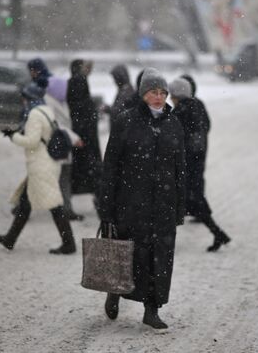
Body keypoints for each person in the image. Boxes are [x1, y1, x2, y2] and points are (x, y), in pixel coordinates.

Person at [99, 68, 185, 330]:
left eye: (162, 92)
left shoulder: (173, 123)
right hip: (131, 204)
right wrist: (107, 209)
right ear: (143, 94)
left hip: (163, 205)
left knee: (159, 257)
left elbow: (180, 168)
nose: (158, 97)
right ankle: (114, 292)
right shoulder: (126, 121)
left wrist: (179, 206)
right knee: (129, 255)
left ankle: (152, 309)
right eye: (152, 92)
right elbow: (110, 166)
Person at [0, 82, 76, 254]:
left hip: (41, 165)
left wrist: (12, 136)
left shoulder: (34, 115)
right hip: (49, 163)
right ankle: (10, 238)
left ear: (29, 98)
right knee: (25, 203)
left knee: (54, 205)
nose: (23, 101)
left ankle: (69, 243)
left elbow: (32, 142)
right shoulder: (46, 110)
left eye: (24, 98)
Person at [170, 77, 231, 252]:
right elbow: (205, 129)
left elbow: (176, 140)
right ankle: (218, 233)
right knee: (192, 202)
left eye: (172, 95)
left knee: (178, 203)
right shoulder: (197, 107)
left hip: (186, 167)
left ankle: (164, 240)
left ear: (178, 95)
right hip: (195, 164)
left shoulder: (181, 112)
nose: (170, 99)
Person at [27, 58, 84, 220]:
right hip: (55, 144)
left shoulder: (59, 100)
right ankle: (23, 207)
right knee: (45, 177)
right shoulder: (50, 103)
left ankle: (66, 209)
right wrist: (75, 138)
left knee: (58, 177)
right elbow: (56, 124)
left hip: (60, 145)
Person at [66, 59, 102, 196]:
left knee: (80, 167)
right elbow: (82, 105)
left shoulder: (75, 80)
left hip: (81, 131)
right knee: (91, 167)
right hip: (85, 133)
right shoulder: (79, 81)